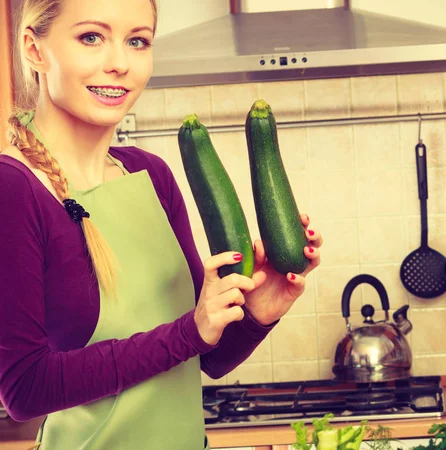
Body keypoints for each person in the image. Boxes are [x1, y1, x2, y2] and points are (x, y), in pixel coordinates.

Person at [0, 0, 322, 448]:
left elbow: (202, 357)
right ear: (34, 49)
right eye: (91, 37)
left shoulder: (150, 175)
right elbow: (25, 389)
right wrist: (191, 330)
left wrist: (255, 314)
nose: (119, 64)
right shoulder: (13, 187)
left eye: (138, 41)